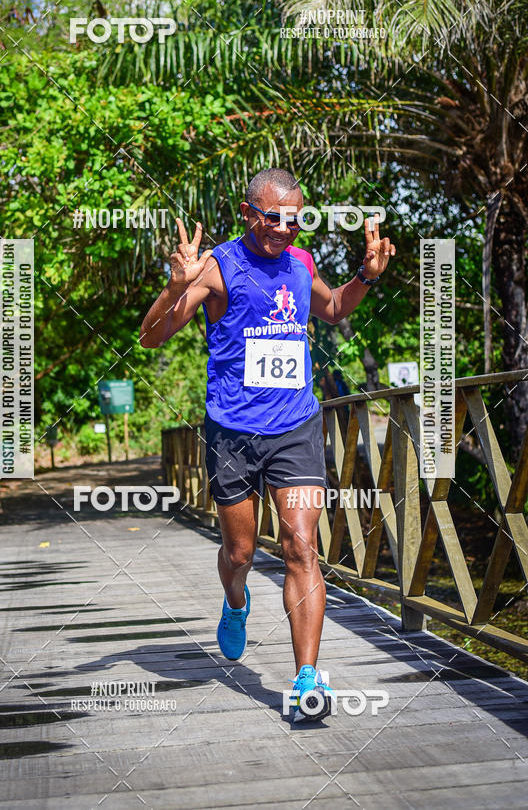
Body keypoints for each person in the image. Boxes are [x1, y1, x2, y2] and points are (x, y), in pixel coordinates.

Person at [140, 168, 396, 720]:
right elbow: (151, 336)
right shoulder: (219, 267)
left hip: (295, 426)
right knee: (240, 553)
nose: (285, 228)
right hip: (232, 431)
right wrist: (175, 285)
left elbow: (332, 309)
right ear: (247, 211)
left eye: (296, 219)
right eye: (274, 217)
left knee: (302, 546)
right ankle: (235, 604)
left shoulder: (301, 263)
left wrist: (366, 277)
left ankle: (307, 677)